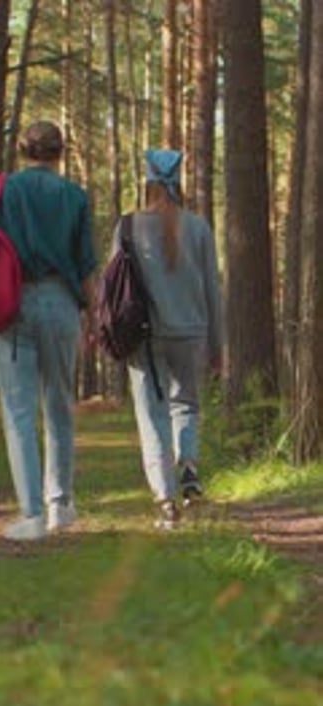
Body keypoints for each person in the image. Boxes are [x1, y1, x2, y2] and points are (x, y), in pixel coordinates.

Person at [0, 121, 97, 541]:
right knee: (59, 406)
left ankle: (31, 514)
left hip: (12, 302)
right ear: (60, 152)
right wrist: (92, 315)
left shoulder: (5, 190)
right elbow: (86, 263)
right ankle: (60, 505)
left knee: (18, 412)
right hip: (61, 303)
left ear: (22, 150)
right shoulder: (74, 195)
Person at [111, 148, 222, 529]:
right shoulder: (200, 227)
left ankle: (166, 502)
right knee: (186, 406)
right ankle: (188, 466)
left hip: (145, 336)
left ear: (148, 182)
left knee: (152, 416)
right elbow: (212, 291)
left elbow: (113, 289)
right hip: (191, 333)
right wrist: (217, 345)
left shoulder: (127, 226)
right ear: (179, 183)